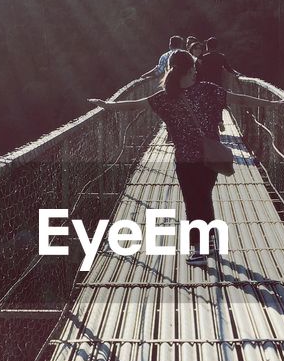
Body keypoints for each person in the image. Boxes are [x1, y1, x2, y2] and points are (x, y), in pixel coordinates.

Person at [89, 52, 264, 265]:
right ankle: (207, 243)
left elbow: (135, 105)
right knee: (204, 197)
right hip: (209, 158)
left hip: (185, 160)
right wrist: (274, 104)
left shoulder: (164, 97)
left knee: (193, 202)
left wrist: (108, 106)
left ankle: (199, 250)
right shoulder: (209, 90)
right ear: (191, 70)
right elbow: (242, 100)